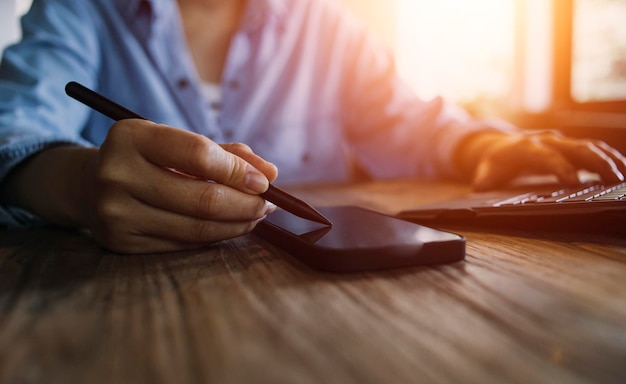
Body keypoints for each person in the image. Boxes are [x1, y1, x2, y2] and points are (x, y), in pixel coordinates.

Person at [0, 0, 624, 254]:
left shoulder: (326, 23)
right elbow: (14, 129)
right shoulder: (78, 11)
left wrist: (483, 146)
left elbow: (407, 122)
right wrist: (74, 181)